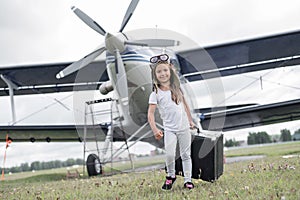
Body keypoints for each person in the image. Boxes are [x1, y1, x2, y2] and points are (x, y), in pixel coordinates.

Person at [147, 54, 195, 190]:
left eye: (165, 70)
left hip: (184, 127)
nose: (162, 74)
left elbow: (185, 105)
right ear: (155, 75)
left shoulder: (177, 89)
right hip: (169, 129)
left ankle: (188, 180)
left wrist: (190, 121)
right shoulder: (155, 93)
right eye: (159, 71)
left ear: (170, 71)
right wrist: (155, 129)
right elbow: (150, 114)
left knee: (186, 155)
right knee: (169, 154)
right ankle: (171, 175)